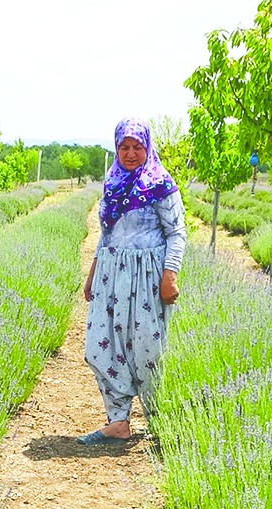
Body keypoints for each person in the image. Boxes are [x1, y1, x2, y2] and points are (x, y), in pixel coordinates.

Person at [78, 117, 187, 445]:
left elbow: (177, 232)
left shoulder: (160, 184)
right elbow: (105, 234)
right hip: (111, 273)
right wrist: (92, 275)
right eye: (123, 147)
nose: (129, 153)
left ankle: (158, 423)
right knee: (102, 346)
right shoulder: (112, 181)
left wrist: (170, 275)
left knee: (148, 350)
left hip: (146, 276)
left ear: (147, 147)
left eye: (136, 147)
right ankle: (118, 422)